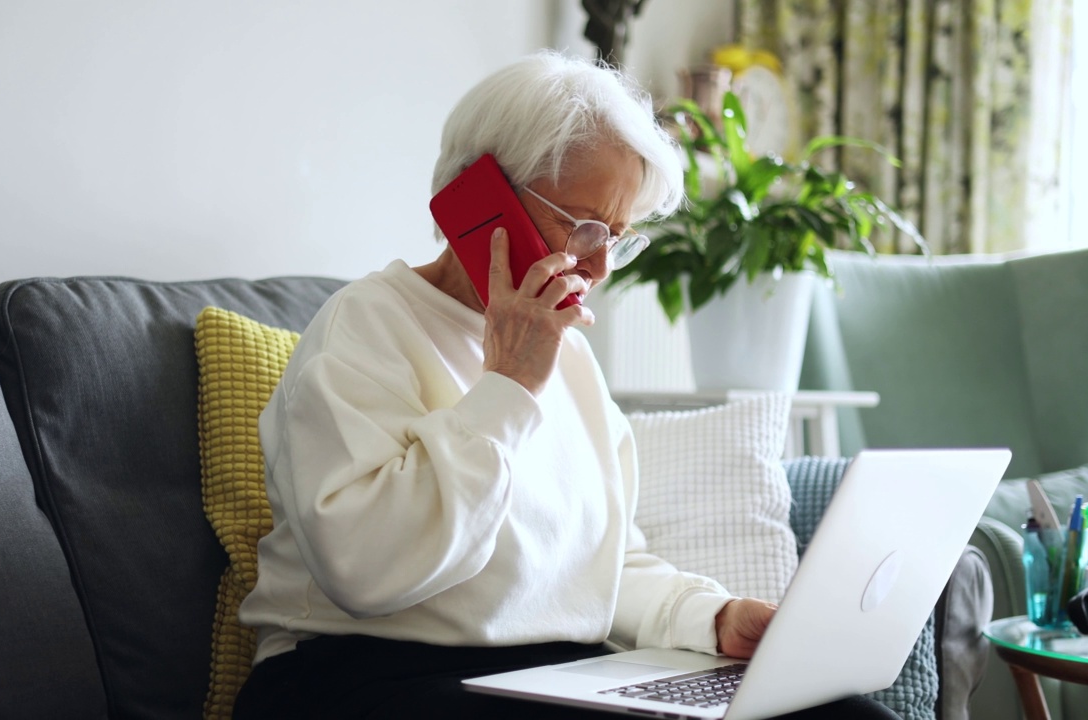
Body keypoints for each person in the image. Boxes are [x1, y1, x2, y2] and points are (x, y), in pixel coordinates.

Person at [233, 51, 897, 720]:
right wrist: (508, 385)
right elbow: (365, 569)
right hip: (361, 674)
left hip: (552, 676)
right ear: (479, 196)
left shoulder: (571, 360)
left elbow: (601, 569)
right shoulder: (368, 324)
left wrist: (711, 617)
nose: (601, 266)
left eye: (618, 236)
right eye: (583, 227)